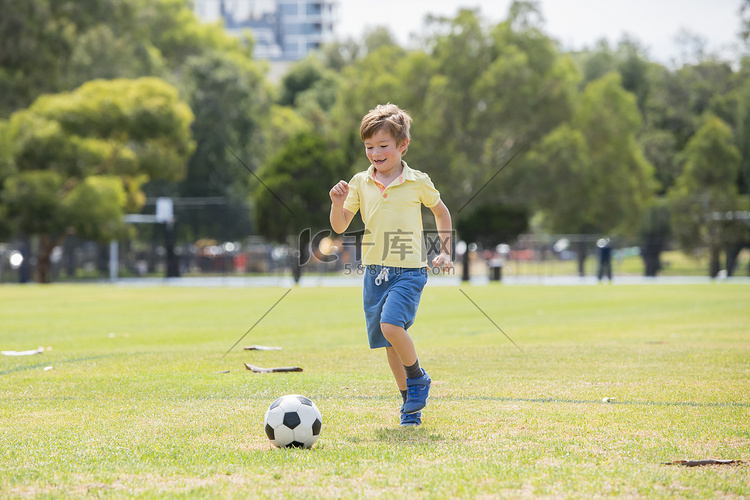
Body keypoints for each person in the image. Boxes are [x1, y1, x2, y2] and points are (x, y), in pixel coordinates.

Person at [329, 103, 454, 427]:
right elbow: (341, 226)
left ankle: (418, 378)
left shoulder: (417, 181)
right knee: (389, 342)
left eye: (383, 146)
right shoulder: (360, 182)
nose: (375, 152)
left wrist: (445, 250)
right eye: (369, 147)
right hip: (375, 272)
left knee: (390, 326)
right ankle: (410, 407)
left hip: (410, 271)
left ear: (402, 145)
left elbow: (441, 213)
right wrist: (337, 204)